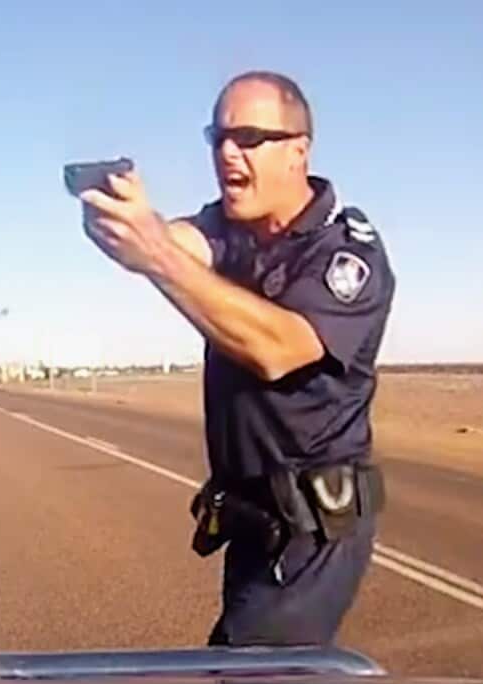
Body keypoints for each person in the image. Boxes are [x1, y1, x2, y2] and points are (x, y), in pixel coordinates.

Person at [78, 71, 394, 646]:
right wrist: (131, 227)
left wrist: (154, 256)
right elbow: (175, 245)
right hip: (254, 518)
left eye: (249, 137)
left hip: (314, 529)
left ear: (299, 150)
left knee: (247, 681)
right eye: (218, 137)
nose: (227, 152)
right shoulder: (232, 226)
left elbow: (275, 350)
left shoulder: (346, 253)